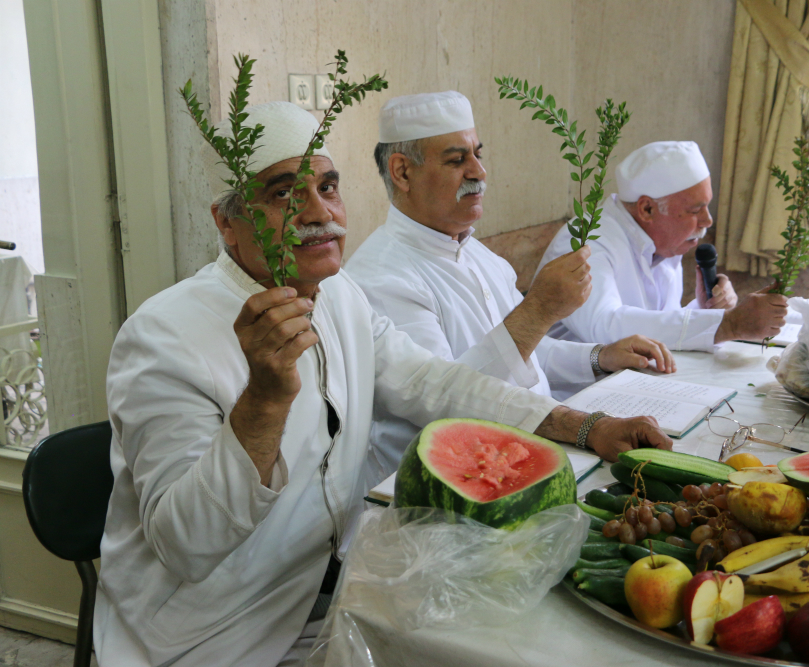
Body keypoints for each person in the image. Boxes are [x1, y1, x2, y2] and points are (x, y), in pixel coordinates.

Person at [94, 101, 671, 667]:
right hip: (216, 637)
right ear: (227, 221)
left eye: (328, 187)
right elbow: (188, 544)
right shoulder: (163, 338)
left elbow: (430, 381)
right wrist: (264, 401)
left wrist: (584, 425)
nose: (318, 212)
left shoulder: (339, 294)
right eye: (282, 195)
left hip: (337, 595)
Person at [346, 91, 675, 479]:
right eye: (457, 160)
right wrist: (539, 311)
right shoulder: (380, 277)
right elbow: (444, 401)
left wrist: (598, 357)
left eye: (478, 155)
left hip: (536, 455)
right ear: (402, 172)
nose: (478, 172)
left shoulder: (479, 254)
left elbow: (525, 357)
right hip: (452, 491)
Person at [538, 141, 788, 351]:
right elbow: (606, 328)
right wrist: (728, 324)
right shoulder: (587, 241)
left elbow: (656, 325)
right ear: (647, 209)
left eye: (707, 206)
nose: (707, 220)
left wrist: (706, 309)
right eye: (694, 210)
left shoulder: (662, 241)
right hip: (572, 396)